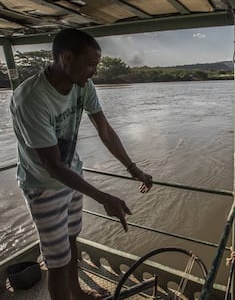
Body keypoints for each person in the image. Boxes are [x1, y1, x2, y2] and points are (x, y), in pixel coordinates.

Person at [10, 28, 153, 300]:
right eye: (90, 64)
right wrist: (102, 197)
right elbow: (52, 165)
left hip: (73, 175)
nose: (94, 72)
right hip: (43, 186)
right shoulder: (31, 98)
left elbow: (105, 130)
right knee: (57, 261)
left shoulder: (83, 86)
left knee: (72, 240)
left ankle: (77, 293)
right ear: (66, 57)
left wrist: (133, 169)